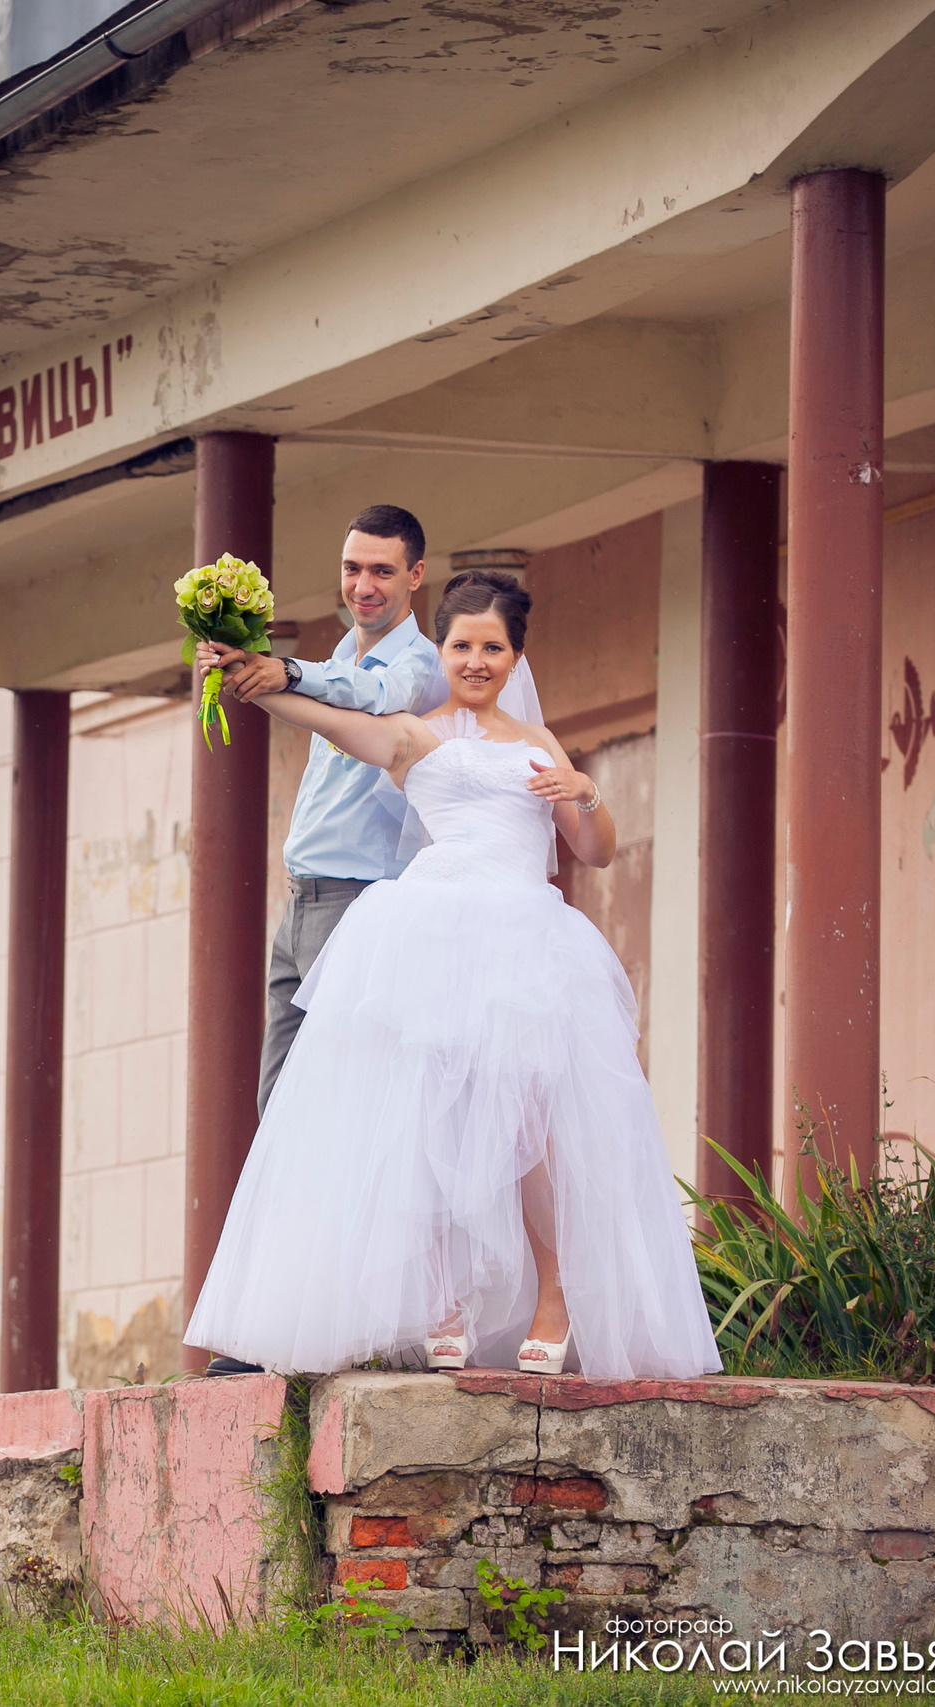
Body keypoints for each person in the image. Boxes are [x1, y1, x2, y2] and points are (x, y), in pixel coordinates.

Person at [180, 570, 721, 1380]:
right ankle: (441, 1297)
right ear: (443, 649)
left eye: (492, 647)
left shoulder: (540, 745)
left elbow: (595, 848)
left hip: (524, 939)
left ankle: (556, 1293)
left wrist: (585, 793)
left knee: (534, 1125)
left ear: (515, 655)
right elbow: (324, 716)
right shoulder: (412, 734)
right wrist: (252, 680)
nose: (475, 660)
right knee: (428, 1115)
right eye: (462, 645)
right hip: (428, 931)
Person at [209, 504, 446, 1118]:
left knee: (341, 1102)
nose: (363, 586)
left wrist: (285, 671)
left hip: (356, 898)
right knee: (280, 1106)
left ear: (415, 575)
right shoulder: (341, 656)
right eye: (351, 568)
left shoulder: (417, 664)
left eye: (382, 572)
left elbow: (374, 698)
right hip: (304, 901)